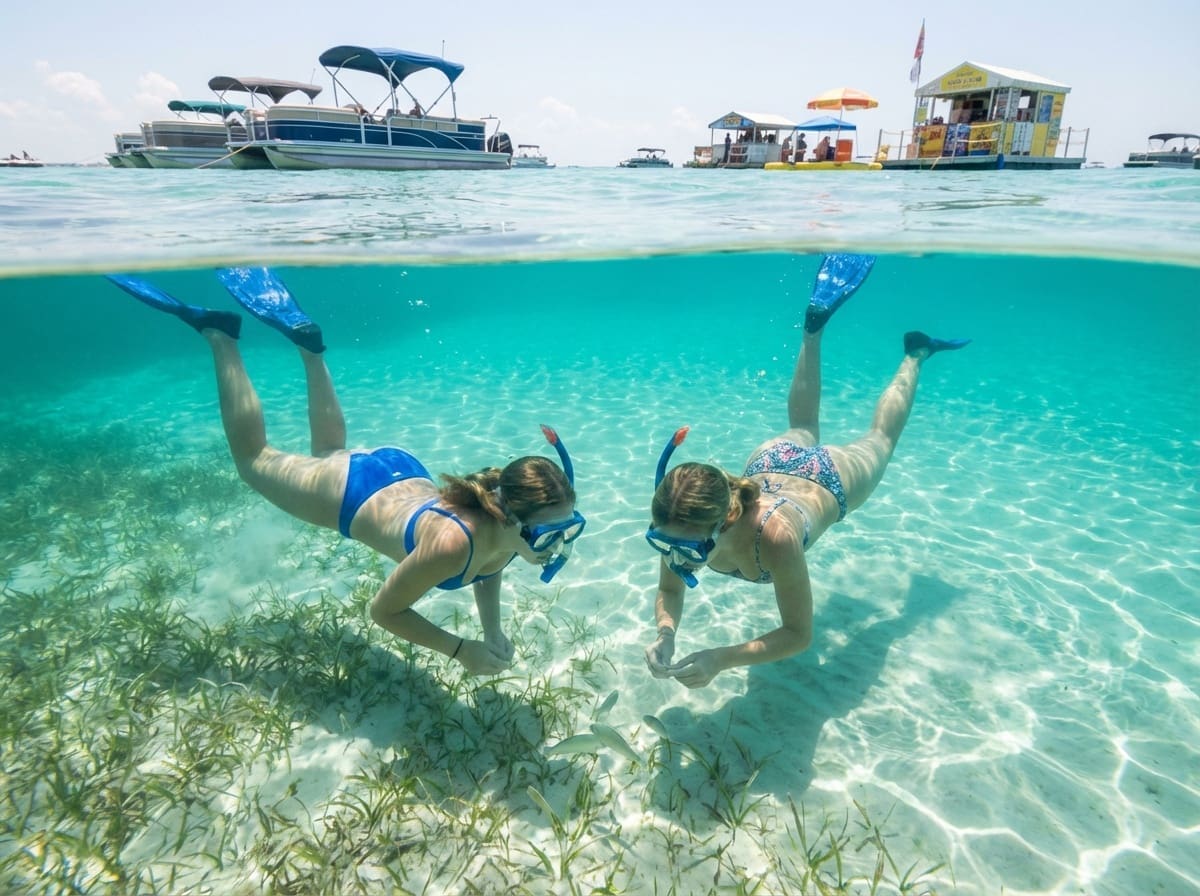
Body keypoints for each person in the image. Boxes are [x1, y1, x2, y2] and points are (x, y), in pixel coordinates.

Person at [106, 268, 586, 676]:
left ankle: (310, 349)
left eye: (567, 529)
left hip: (397, 471)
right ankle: (220, 336)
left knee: (330, 449)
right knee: (253, 462)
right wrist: (462, 652)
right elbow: (385, 611)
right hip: (354, 493)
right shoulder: (452, 546)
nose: (557, 545)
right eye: (550, 534)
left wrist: (492, 631)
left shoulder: (506, 527)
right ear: (507, 515)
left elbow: (490, 569)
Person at [642, 255, 969, 689]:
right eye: (664, 543)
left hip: (825, 479)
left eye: (686, 547)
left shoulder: (774, 539)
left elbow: (799, 634)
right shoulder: (679, 524)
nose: (676, 556)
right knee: (804, 427)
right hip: (768, 465)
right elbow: (671, 590)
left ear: (729, 517)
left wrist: (721, 659)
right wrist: (666, 633)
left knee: (880, 440)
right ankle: (812, 329)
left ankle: (916, 354)